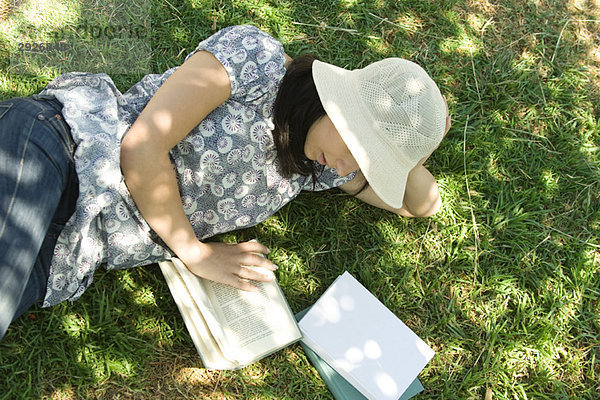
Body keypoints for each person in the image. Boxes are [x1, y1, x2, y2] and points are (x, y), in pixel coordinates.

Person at [0, 25, 451, 340]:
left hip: (72, 251)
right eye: (358, 147)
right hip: (63, 154)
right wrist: (196, 253)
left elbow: (421, 203)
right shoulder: (255, 59)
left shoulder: (320, 164)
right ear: (341, 105)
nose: (350, 168)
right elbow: (142, 145)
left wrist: (409, 147)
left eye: (367, 164)